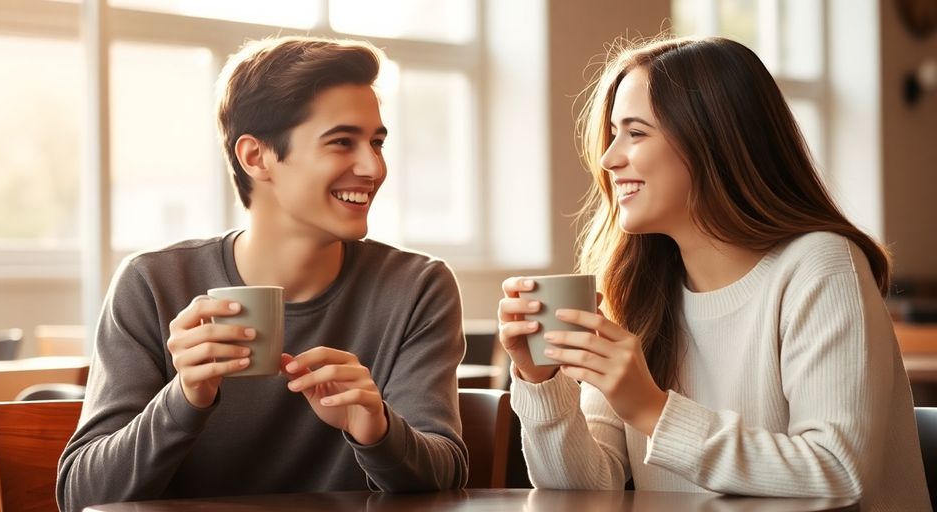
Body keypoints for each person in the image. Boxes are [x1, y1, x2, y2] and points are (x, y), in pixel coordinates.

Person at [497, 36, 931, 510]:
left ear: (714, 142)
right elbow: (586, 492)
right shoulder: (640, 290)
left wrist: (652, 409)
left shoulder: (820, 265)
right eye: (613, 133)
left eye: (636, 133)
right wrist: (542, 382)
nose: (608, 158)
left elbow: (837, 473)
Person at [57, 36, 468, 512]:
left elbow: (448, 478)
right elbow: (82, 497)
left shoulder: (418, 287)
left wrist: (378, 430)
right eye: (342, 142)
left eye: (376, 143)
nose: (373, 167)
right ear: (255, 157)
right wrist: (184, 398)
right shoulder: (152, 284)